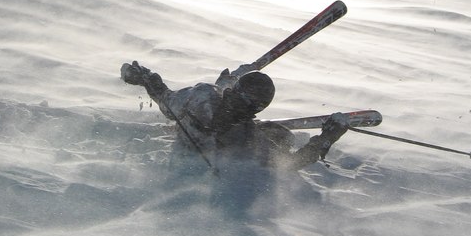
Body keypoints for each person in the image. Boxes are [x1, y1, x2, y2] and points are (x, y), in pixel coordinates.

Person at [120, 60, 350, 169]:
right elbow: (290, 163)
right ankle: (231, 81)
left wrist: (144, 77)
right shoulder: (247, 136)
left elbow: (164, 97)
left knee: (272, 133)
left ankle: (231, 80)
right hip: (212, 149)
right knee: (280, 136)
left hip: (190, 141)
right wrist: (327, 138)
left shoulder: (200, 97)